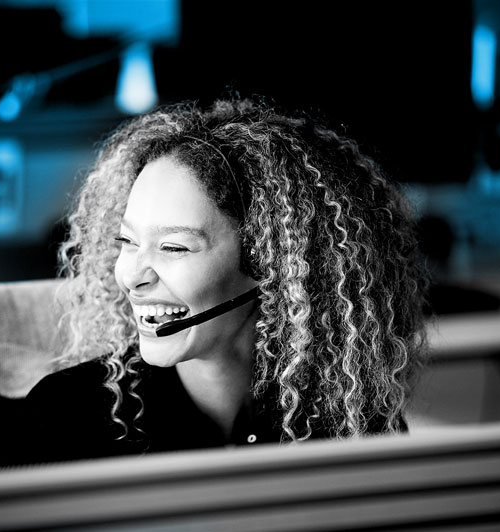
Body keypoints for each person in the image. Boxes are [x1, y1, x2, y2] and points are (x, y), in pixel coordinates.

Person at [25, 97, 427, 462]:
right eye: (127, 242)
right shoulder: (64, 416)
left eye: (173, 247)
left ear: (266, 263)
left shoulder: (350, 421)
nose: (130, 276)